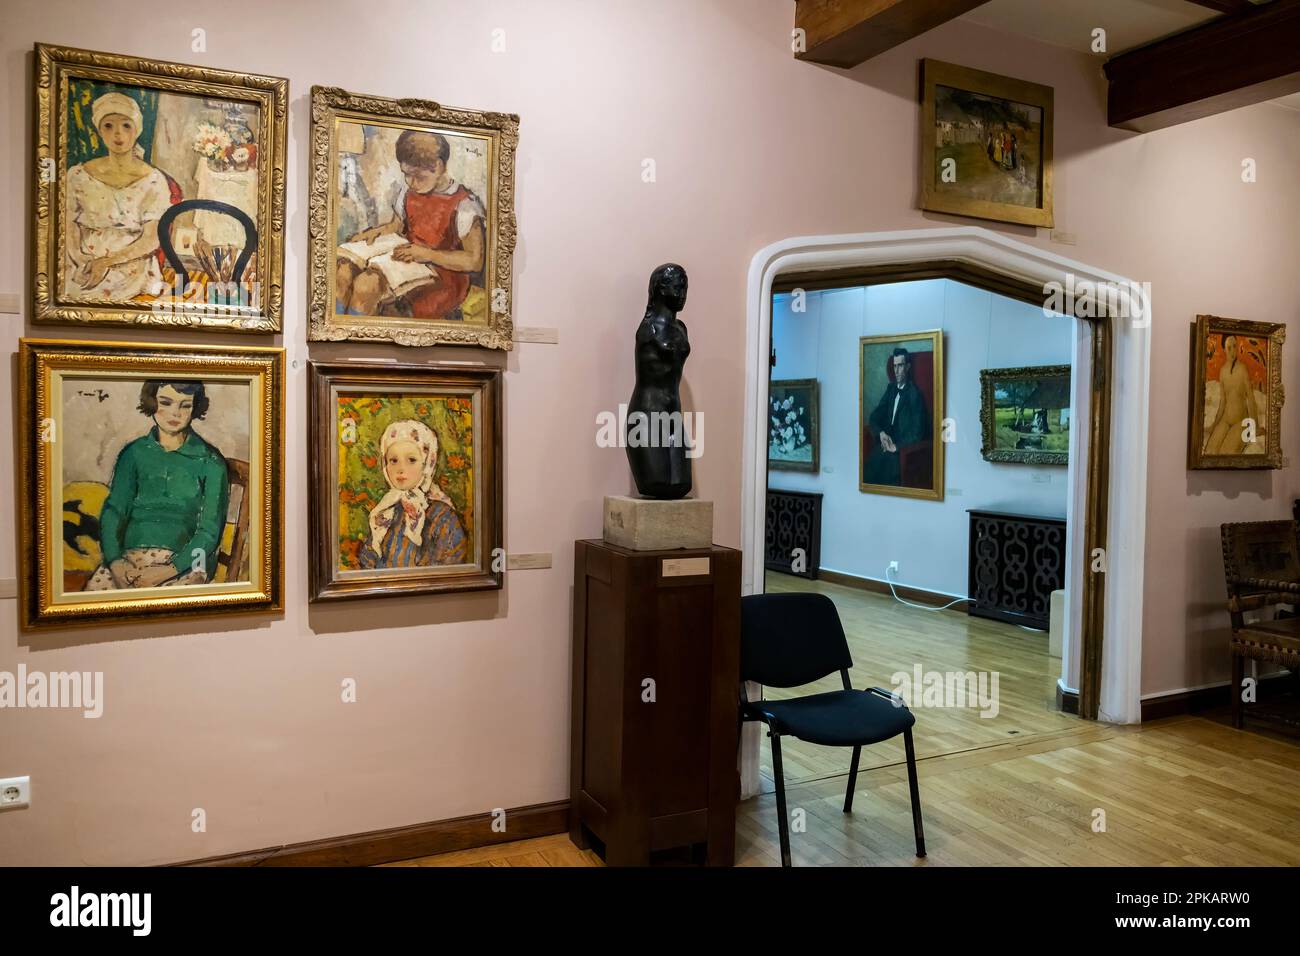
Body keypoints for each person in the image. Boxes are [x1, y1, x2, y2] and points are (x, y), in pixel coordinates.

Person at [85, 381, 230, 590]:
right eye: (166, 403)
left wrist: (167, 571)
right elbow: (114, 511)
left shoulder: (211, 462)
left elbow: (209, 532)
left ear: (195, 407)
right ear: (152, 402)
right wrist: (116, 563)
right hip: (130, 558)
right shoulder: (133, 454)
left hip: (188, 562)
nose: (175, 413)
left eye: (185, 405)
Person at [336, 130, 486, 321]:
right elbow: (397, 226)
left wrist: (428, 254)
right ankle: (339, 328)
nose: (411, 183)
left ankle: (352, 337)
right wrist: (375, 232)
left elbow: (474, 261)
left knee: (367, 285)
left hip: (443, 275)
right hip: (409, 259)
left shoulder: (464, 204)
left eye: (418, 176)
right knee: (343, 270)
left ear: (439, 167)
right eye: (407, 175)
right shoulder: (408, 192)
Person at [64, 91, 172, 301]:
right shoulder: (78, 175)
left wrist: (107, 262)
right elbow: (69, 224)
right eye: (108, 126)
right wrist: (80, 257)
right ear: (99, 131)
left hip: (130, 262)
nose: (118, 135)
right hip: (83, 259)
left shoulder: (154, 180)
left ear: (136, 130)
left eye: (125, 125)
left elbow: (151, 239)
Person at [359, 420, 468, 568]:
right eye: (393, 460)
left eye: (411, 460)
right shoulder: (385, 512)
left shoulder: (443, 516)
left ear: (427, 463)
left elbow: (450, 565)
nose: (400, 469)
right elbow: (368, 559)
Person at [864, 348, 931, 487]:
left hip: (902, 451)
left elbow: (918, 433)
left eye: (900, 365)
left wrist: (896, 447)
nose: (897, 370)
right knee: (869, 470)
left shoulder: (915, 395)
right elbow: (874, 416)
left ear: (907, 367)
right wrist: (881, 433)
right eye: (895, 366)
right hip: (884, 446)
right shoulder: (891, 389)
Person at [1205, 335, 1260, 455]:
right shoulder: (1222, 371)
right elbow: (1223, 402)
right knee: (1210, 451)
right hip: (1225, 420)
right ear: (1224, 350)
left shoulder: (1242, 369)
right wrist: (1214, 425)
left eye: (1235, 346)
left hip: (1240, 421)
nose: (1233, 351)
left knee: (1226, 453)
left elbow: (1250, 399)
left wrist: (1256, 426)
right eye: (1229, 348)